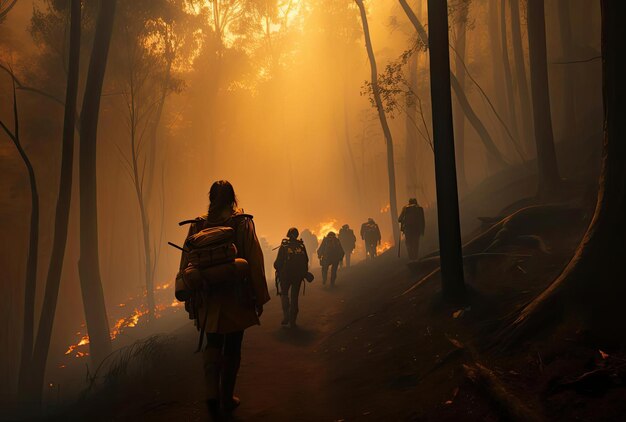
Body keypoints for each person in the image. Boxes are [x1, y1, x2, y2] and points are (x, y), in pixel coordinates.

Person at [177, 180, 270, 420]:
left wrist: (190, 298)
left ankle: (211, 396)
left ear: (210, 199)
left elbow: (186, 262)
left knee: (213, 344)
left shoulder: (198, 225)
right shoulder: (242, 222)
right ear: (233, 199)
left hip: (208, 298)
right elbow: (255, 260)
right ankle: (227, 398)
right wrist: (259, 297)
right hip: (237, 296)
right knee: (233, 345)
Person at [273, 227, 309, 328]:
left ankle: (286, 316)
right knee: (295, 298)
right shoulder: (301, 246)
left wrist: (278, 269)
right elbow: (306, 260)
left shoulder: (284, 246)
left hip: (285, 276)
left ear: (288, 234)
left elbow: (277, 263)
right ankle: (293, 321)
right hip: (297, 277)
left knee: (284, 294)